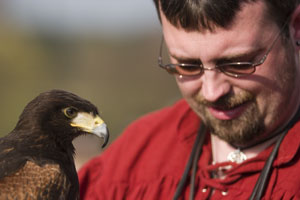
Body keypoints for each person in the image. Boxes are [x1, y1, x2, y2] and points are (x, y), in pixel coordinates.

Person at [78, 0, 300, 199]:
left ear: (296, 27)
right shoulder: (137, 155)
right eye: (188, 66)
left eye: (238, 64)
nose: (212, 92)